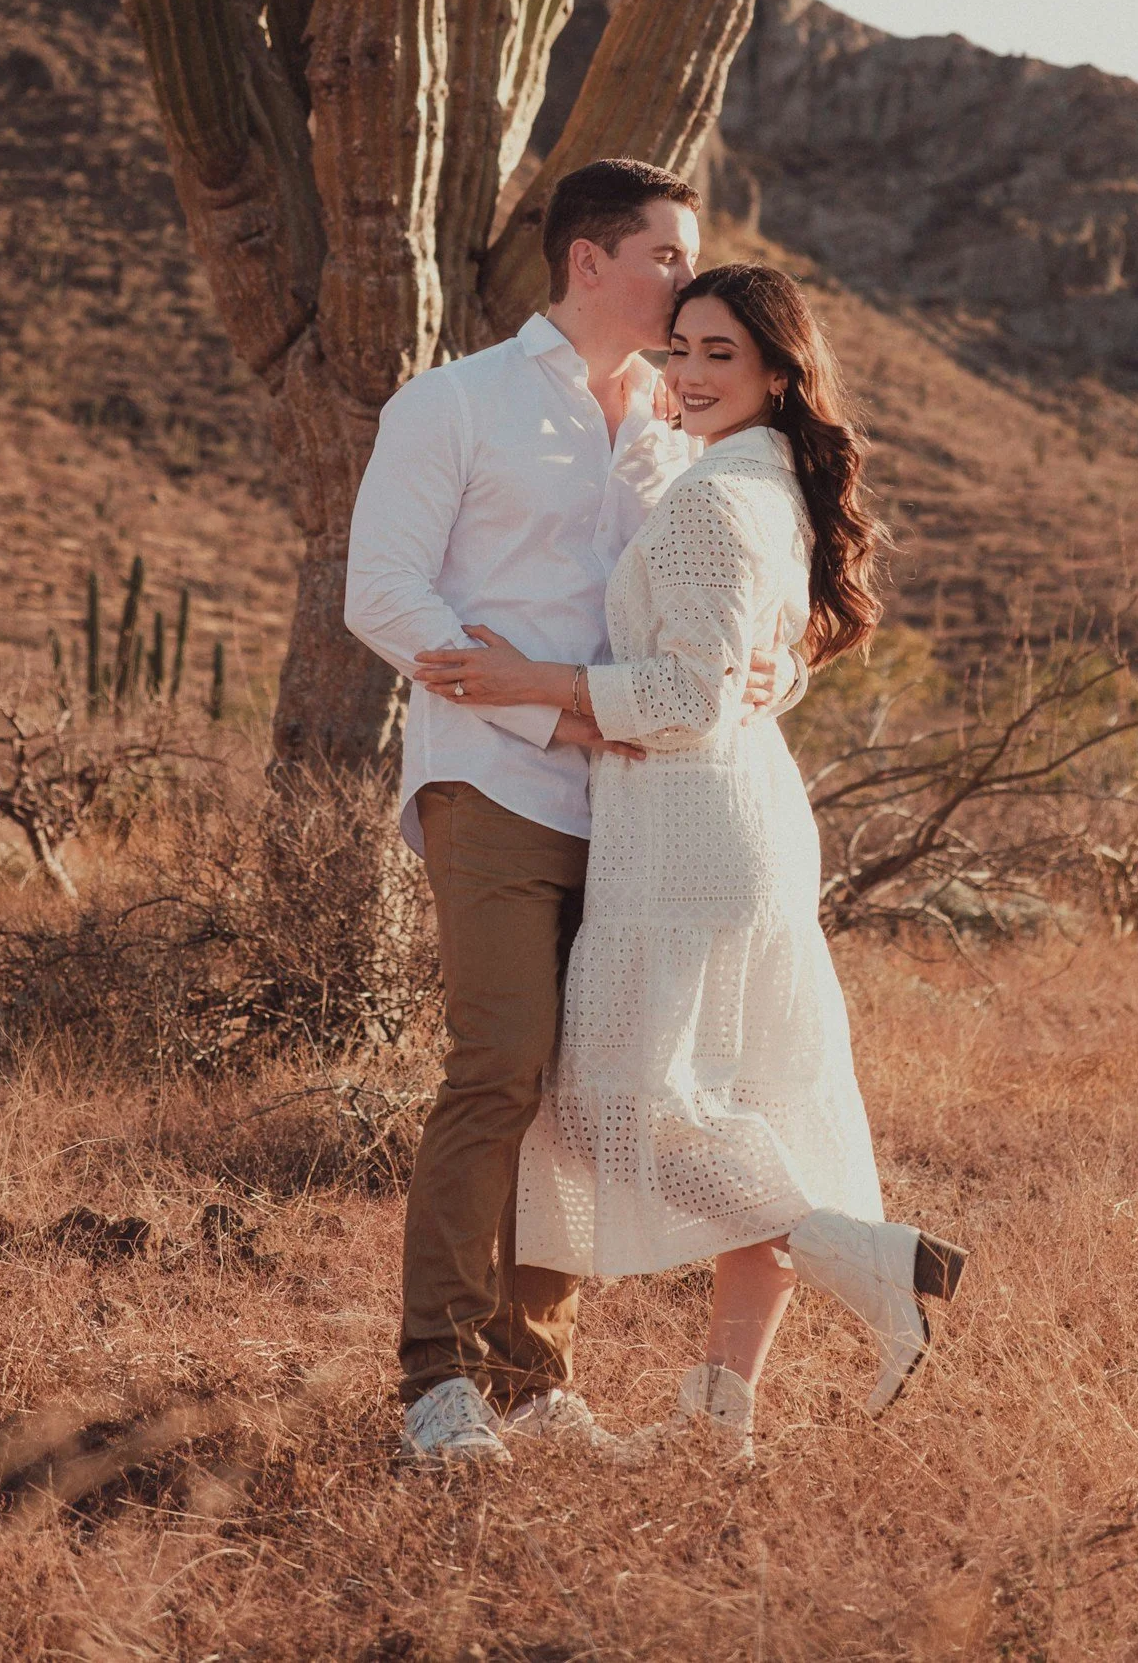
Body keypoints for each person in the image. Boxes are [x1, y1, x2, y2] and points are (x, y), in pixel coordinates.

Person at [416, 262, 967, 1463]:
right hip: (724, 815)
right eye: (680, 351)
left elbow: (686, 693)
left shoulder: (719, 497)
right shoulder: (754, 481)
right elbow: (750, 660)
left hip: (686, 831)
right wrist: (748, 679)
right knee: (742, 1098)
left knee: (625, 1101)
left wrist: (529, 683)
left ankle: (865, 1257)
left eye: (720, 353)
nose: (690, 374)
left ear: (777, 370)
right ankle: (720, 1418)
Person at [342, 161, 804, 1467]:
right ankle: (436, 1387)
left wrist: (782, 666)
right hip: (491, 779)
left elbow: (739, 607)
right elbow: (380, 591)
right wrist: (536, 709)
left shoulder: (679, 429)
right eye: (668, 257)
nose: (685, 281)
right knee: (498, 1068)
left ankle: (531, 1382)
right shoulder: (456, 404)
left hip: (639, 809)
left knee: (586, 1093)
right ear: (588, 262)